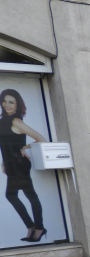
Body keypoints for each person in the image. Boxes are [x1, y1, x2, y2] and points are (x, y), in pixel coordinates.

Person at [0, 89, 48, 242]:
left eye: (11, 102)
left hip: (20, 164)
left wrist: (24, 148)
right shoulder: (2, 121)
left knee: (22, 195)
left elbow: (41, 139)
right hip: (11, 164)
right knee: (20, 195)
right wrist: (4, 161)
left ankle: (36, 227)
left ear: (17, 105)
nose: (7, 105)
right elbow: (5, 144)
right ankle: (34, 227)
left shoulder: (17, 121)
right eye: (5, 101)